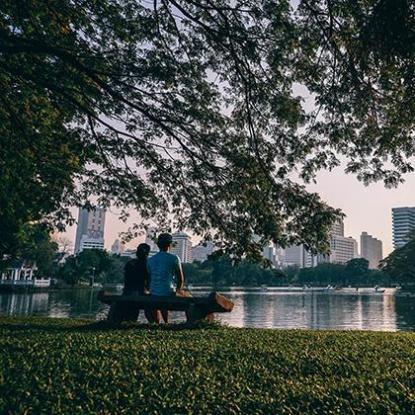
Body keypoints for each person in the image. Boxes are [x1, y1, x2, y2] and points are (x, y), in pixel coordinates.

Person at [147, 233, 185, 323]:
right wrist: (178, 291)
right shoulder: (174, 258)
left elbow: (149, 278)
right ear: (170, 245)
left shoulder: (150, 260)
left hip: (153, 293)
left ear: (158, 245)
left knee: (158, 297)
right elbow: (181, 279)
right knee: (168, 292)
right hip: (168, 292)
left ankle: (158, 323)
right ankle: (166, 322)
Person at [122, 243, 153, 322]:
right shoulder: (148, 265)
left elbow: (126, 280)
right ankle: (153, 322)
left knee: (131, 305)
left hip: (127, 293)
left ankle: (129, 320)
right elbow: (149, 282)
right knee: (150, 304)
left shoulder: (130, 263)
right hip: (141, 293)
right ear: (147, 254)